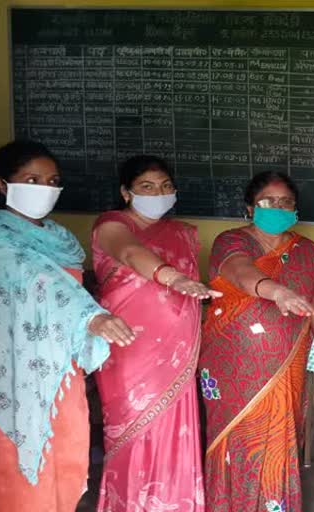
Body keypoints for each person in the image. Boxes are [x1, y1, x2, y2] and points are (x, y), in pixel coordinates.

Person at [0, 140, 134, 511]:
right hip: (9, 372)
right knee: (12, 462)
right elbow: (35, 276)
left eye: (52, 180)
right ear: (2, 184)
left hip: (59, 368)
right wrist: (91, 316)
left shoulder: (58, 238)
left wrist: (88, 319)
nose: (44, 189)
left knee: (66, 452)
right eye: (32, 179)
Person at [200, 171, 314, 512]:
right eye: (268, 201)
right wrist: (276, 291)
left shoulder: (306, 250)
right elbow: (240, 271)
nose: (277, 207)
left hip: (285, 363)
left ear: (295, 210)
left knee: (278, 435)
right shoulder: (231, 241)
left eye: (286, 202)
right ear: (250, 208)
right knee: (237, 437)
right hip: (232, 365)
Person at [91, 155, 219, 511]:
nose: (157, 193)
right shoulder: (111, 224)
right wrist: (173, 277)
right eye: (147, 187)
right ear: (126, 192)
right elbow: (131, 254)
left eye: (165, 187)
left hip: (176, 357)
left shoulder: (183, 233)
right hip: (129, 351)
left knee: (175, 432)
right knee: (132, 433)